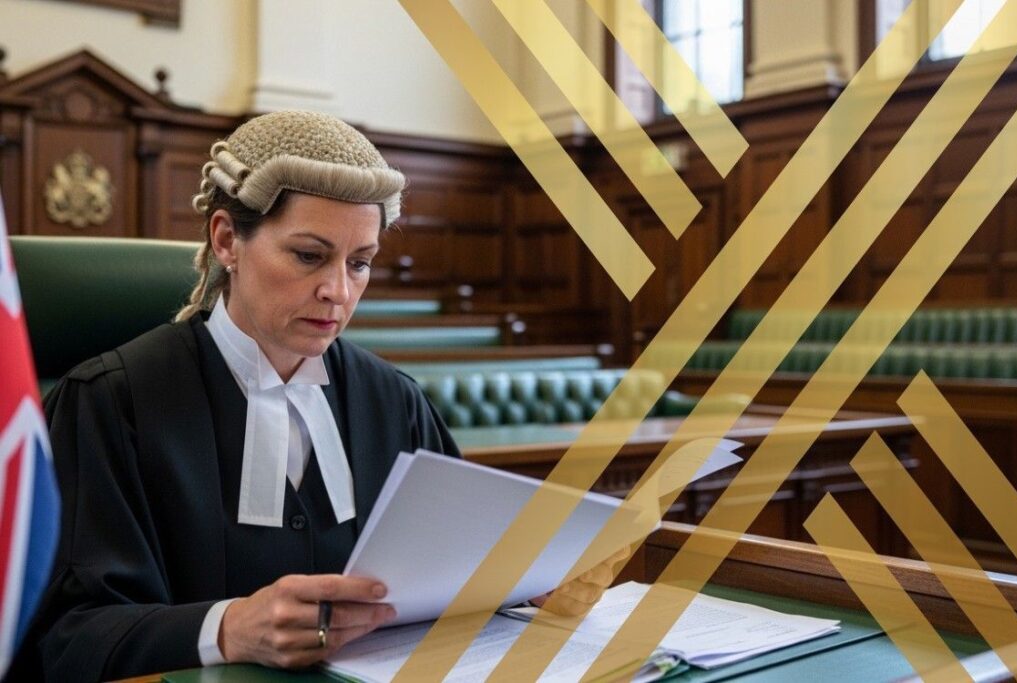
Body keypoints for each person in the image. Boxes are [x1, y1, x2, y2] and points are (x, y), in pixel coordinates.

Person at [10, 111, 622, 683]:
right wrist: (226, 629)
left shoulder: (396, 402)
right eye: (309, 256)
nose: (337, 291)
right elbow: (64, 637)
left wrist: (526, 578)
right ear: (227, 240)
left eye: (361, 263)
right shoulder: (108, 402)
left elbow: (455, 567)